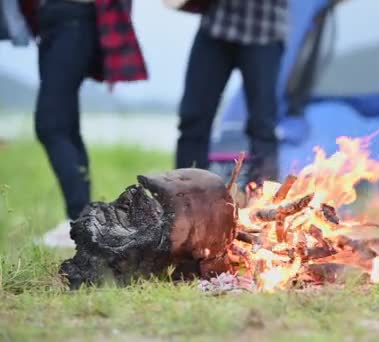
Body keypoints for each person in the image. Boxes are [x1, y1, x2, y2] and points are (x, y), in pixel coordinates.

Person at [19, 0, 148, 246]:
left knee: (50, 124)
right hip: (50, 19)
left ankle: (78, 219)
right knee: (65, 125)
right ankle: (82, 221)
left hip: (75, 16)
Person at [170, 0, 288, 186]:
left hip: (265, 30)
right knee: (193, 119)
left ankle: (265, 201)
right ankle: (185, 195)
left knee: (263, 125)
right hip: (216, 26)